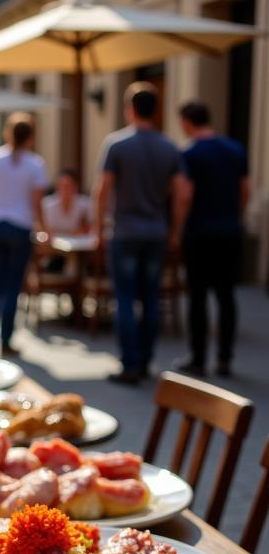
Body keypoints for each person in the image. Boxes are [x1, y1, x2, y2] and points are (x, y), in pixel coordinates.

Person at [93, 82, 186, 384]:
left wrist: (98, 228)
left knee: (125, 299)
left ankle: (129, 363)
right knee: (150, 299)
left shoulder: (117, 144)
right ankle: (146, 361)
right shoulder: (169, 147)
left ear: (130, 109)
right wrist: (175, 229)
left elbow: (103, 189)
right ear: (156, 110)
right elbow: (183, 193)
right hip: (156, 232)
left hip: (126, 232)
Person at [176, 101, 249, 378]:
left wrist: (177, 228)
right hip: (229, 231)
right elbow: (245, 189)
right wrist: (235, 216)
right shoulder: (234, 149)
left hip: (200, 233)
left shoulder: (191, 153)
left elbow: (185, 196)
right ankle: (224, 358)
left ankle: (198, 357)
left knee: (198, 296)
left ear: (187, 122)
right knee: (226, 295)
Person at [0, 114, 48, 356]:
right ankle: (5, 341)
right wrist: (44, 229)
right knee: (13, 287)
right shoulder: (34, 164)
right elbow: (37, 204)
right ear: (31, 136)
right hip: (19, 228)